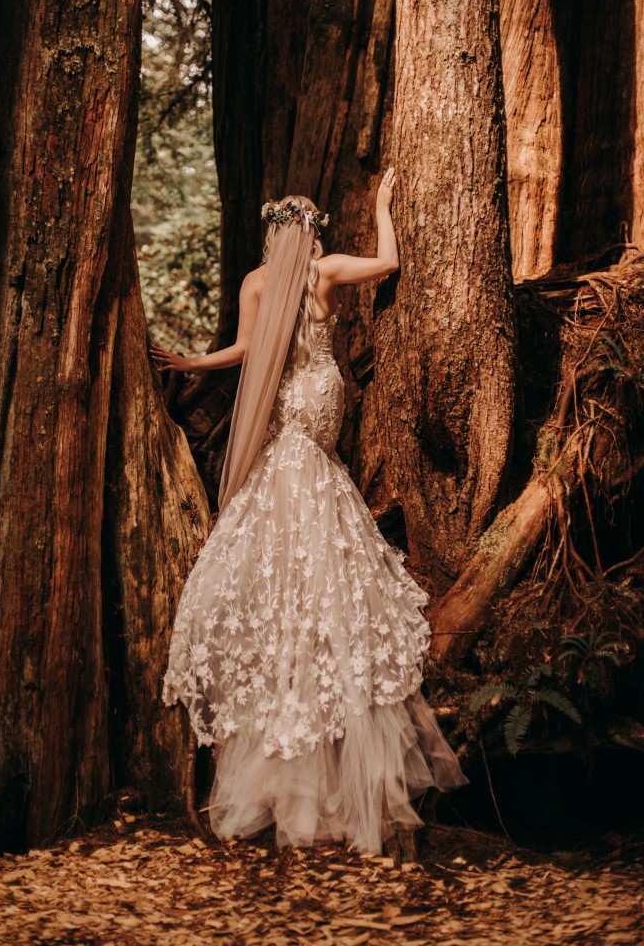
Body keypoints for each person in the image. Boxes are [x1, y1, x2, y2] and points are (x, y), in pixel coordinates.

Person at [152, 168, 466, 856]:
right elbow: (248, 350)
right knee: (299, 531)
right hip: (307, 410)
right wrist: (190, 364)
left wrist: (384, 201)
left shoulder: (279, 278)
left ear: (276, 229)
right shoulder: (304, 276)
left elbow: (381, 269)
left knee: (311, 513)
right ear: (308, 228)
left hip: (313, 415)